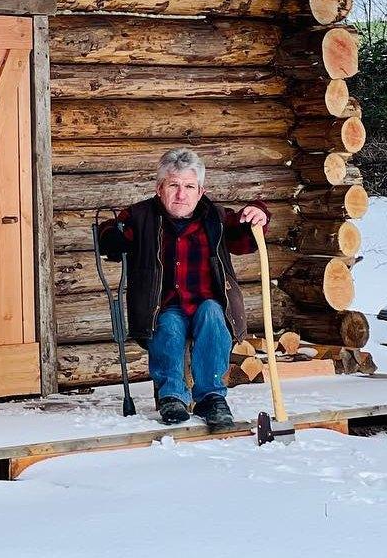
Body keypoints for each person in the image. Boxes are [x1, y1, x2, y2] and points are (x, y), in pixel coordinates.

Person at [96, 148, 269, 430]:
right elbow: (111, 235)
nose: (181, 194)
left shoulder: (216, 217)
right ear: (160, 188)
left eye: (189, 186)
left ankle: (211, 397)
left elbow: (245, 238)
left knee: (213, 314)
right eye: (174, 185)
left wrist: (259, 213)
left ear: (201, 191)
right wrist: (113, 237)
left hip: (208, 303)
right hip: (162, 305)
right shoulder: (142, 216)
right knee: (169, 323)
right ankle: (172, 396)